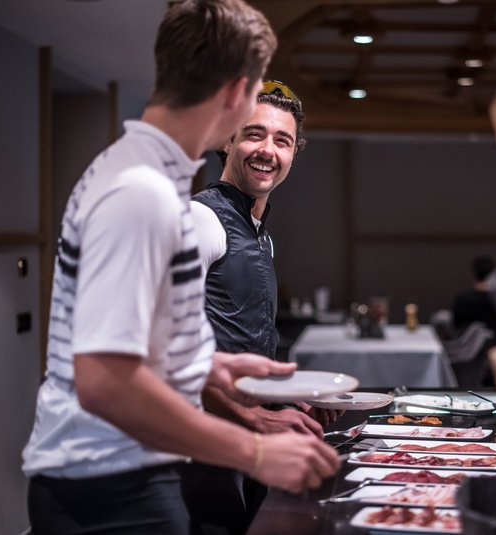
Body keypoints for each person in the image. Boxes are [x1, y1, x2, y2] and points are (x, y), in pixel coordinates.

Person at [21, 2, 338, 534]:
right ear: (237, 93)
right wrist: (254, 448)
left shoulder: (141, 176)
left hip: (128, 472)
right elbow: (102, 382)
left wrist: (210, 370)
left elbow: (124, 348)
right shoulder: (143, 192)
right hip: (107, 487)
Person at [186, 81, 338, 534]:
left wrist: (292, 398)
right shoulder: (199, 219)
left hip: (246, 442)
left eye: (282, 140)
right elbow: (163, 351)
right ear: (227, 140)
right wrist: (254, 416)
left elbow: (243, 341)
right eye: (253, 134)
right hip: (199, 447)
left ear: (294, 154)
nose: (267, 150)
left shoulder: (260, 235)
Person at [451, 255, 496, 345]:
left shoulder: (463, 299)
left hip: (467, 346)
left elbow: (456, 324)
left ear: (474, 273)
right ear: (493, 273)